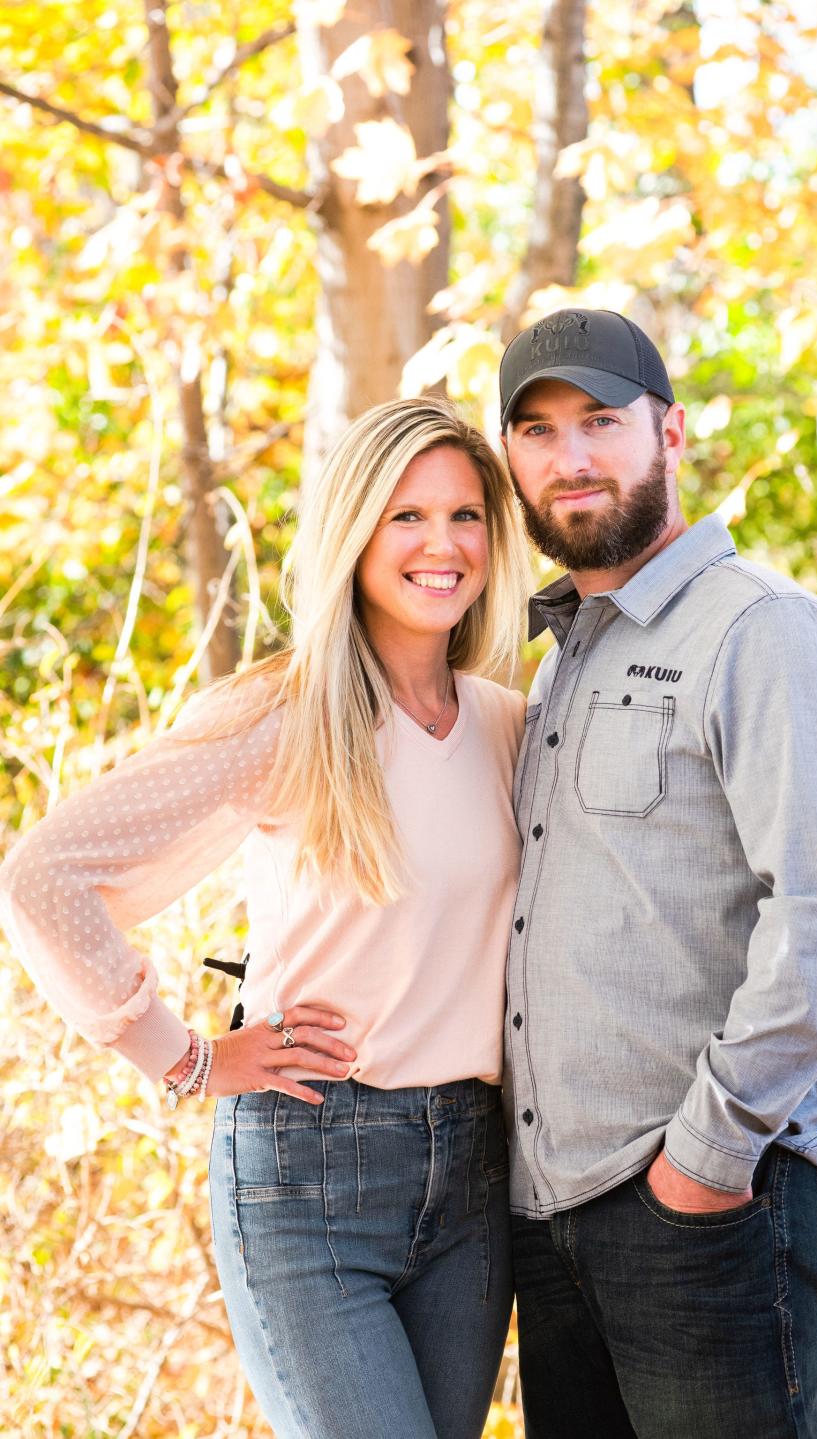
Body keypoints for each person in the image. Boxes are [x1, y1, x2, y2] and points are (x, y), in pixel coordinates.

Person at [0, 398, 532, 1439]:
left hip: (475, 1174)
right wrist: (185, 1055)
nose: (442, 544)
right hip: (312, 1168)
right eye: (405, 516)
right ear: (354, 534)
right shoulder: (289, 716)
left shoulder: (511, 725)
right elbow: (45, 873)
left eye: (465, 515)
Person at [497, 307, 817, 1439]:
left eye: (601, 421)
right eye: (538, 431)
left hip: (709, 1207)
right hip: (554, 1212)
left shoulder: (764, 630)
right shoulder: (562, 654)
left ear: (668, 434)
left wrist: (704, 1167)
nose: (570, 458)